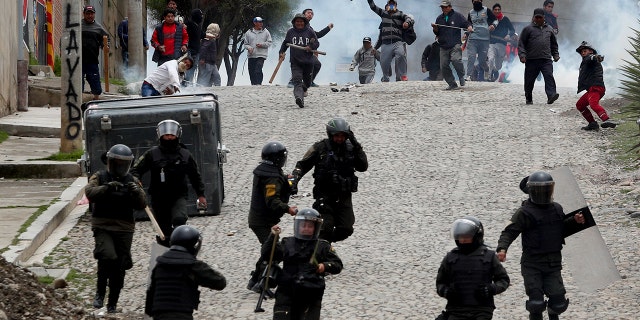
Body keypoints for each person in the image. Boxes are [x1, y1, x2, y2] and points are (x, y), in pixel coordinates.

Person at [497, 171, 586, 320]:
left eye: (546, 189)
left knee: (558, 302)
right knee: (536, 303)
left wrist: (574, 221)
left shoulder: (556, 208)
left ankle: (553, 316)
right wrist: (502, 248)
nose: (543, 193)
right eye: (539, 190)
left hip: (553, 262)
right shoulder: (524, 212)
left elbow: (560, 229)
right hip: (532, 263)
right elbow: (509, 232)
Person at [84, 144, 147, 314]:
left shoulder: (132, 181)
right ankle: (100, 293)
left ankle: (112, 302)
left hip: (124, 227)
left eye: (122, 163)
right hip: (103, 224)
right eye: (116, 162)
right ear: (110, 162)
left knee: (120, 265)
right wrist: (107, 188)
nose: (119, 166)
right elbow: (89, 193)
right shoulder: (100, 176)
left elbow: (142, 204)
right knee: (107, 255)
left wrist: (136, 192)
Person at [130, 120, 207, 246]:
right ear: (160, 136)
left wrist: (201, 194)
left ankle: (181, 246)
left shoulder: (185, 155)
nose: (169, 137)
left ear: (177, 135)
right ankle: (166, 249)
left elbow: (195, 176)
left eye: (172, 135)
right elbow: (136, 170)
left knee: (180, 219)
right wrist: (135, 179)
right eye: (166, 135)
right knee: (163, 229)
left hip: (178, 196)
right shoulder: (152, 154)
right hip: (159, 198)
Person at [291, 117, 368, 243]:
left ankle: (324, 245)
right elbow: (302, 165)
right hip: (324, 195)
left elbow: (363, 167)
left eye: (343, 136)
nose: (340, 139)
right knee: (325, 227)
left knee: (346, 228)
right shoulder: (320, 148)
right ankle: (321, 248)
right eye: (336, 136)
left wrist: (357, 146)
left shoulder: (351, 148)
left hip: (344, 196)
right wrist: (294, 181)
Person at [264, 208, 343, 320]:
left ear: (315, 228)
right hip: (287, 292)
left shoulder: (322, 246)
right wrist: (272, 237)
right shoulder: (287, 242)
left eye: (310, 226)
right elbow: (268, 256)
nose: (306, 229)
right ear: (297, 226)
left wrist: (324, 266)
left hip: (311, 292)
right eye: (303, 225)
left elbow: (338, 264)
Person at [247, 141, 298, 292]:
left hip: (262, 220)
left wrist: (285, 180)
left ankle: (255, 280)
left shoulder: (267, 171)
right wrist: (288, 209)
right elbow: (272, 201)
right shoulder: (271, 177)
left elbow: (276, 182)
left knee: (271, 250)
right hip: (262, 222)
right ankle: (260, 282)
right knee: (275, 251)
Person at [145, 225, 226, 320]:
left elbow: (151, 293)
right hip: (181, 315)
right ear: (195, 246)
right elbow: (220, 282)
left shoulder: (160, 264)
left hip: (159, 315)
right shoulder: (193, 265)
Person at [436, 216, 510, 320]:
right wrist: (446, 291)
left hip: (482, 310)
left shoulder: (489, 257)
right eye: (460, 237)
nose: (463, 240)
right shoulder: (450, 258)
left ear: (476, 237)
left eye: (466, 237)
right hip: (456, 310)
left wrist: (491, 289)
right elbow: (440, 283)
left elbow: (503, 280)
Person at [518, 8, 560, 105]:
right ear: (533, 18)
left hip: (546, 59)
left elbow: (554, 44)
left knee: (549, 76)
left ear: (543, 17)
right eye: (536, 17)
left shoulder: (549, 29)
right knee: (529, 81)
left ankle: (551, 95)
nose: (538, 19)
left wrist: (556, 54)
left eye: (540, 17)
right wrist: (522, 55)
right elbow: (521, 44)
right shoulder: (527, 29)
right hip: (532, 60)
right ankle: (528, 97)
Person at [278, 13, 319, 108]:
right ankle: (299, 98)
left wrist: (310, 46)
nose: (299, 23)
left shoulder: (309, 32)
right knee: (297, 81)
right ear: (294, 22)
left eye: (301, 21)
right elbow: (285, 43)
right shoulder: (290, 32)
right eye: (297, 21)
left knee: (307, 83)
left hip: (308, 61)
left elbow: (316, 43)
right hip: (295, 61)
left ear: (304, 22)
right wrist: (281, 52)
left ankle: (303, 89)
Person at [367, 0, 414, 82]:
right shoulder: (383, 13)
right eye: (390, 4)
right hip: (386, 43)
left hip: (397, 42)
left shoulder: (400, 14)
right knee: (384, 62)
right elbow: (373, 7)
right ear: (387, 5)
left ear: (396, 5)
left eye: (393, 4)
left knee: (401, 55)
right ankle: (385, 77)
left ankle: (403, 75)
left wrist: (407, 22)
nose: (391, 6)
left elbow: (409, 18)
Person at [574, 41, 617, 131]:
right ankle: (592, 124)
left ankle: (606, 120)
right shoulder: (585, 61)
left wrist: (596, 57)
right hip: (591, 89)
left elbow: (592, 58)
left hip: (596, 88)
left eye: (585, 50)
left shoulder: (590, 58)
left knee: (593, 104)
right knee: (580, 105)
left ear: (591, 51)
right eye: (581, 51)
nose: (582, 52)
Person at [432, 0, 471, 90]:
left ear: (450, 7)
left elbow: (466, 24)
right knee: (444, 66)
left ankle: (461, 76)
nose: (444, 9)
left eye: (445, 7)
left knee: (456, 60)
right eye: (442, 7)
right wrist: (435, 29)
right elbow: (437, 32)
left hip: (455, 45)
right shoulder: (439, 18)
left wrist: (469, 28)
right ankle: (452, 83)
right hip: (443, 45)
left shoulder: (458, 16)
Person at [464, 0, 497, 82]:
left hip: (484, 40)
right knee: (471, 57)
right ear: (472, 2)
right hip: (473, 39)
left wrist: (493, 25)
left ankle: (488, 69)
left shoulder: (487, 10)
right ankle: (468, 75)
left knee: (482, 60)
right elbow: (468, 23)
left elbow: (496, 20)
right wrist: (468, 28)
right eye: (475, 0)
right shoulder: (470, 13)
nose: (476, 1)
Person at [81, 5, 109, 101]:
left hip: (92, 60)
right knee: (78, 83)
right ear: (84, 14)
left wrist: (105, 46)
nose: (90, 16)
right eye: (87, 14)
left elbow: (105, 40)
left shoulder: (98, 28)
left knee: (95, 84)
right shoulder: (79, 26)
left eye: (91, 13)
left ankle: (96, 101)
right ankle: (78, 101)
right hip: (79, 60)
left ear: (94, 14)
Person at [487, 3, 515, 82]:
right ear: (493, 11)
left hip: (502, 44)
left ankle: (495, 70)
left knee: (499, 66)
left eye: (498, 10)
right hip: (491, 43)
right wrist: (489, 28)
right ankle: (489, 77)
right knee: (491, 59)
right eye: (495, 10)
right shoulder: (489, 19)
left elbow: (512, 30)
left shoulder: (505, 19)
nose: (497, 11)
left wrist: (508, 35)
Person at [244, 17, 273, 85]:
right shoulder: (248, 32)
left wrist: (262, 45)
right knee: (251, 71)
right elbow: (245, 44)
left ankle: (259, 84)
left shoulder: (266, 32)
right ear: (255, 23)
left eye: (261, 22)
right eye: (259, 22)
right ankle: (253, 84)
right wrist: (249, 48)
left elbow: (269, 42)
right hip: (251, 55)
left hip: (261, 55)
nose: (261, 23)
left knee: (258, 69)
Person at [184, 9, 204, 85]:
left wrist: (213, 35)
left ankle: (189, 83)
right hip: (189, 50)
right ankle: (185, 83)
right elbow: (183, 29)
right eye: (200, 15)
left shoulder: (198, 26)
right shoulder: (189, 23)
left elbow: (202, 35)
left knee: (194, 67)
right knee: (187, 66)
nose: (201, 17)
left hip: (196, 51)